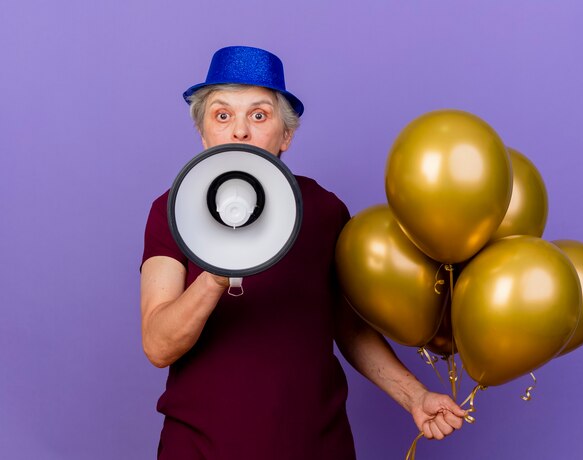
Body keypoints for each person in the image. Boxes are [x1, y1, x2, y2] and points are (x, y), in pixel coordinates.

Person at [140, 46, 466, 460]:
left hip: (314, 446)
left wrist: (414, 396)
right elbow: (158, 345)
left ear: (286, 135)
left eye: (259, 115)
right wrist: (216, 272)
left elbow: (350, 329)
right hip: (200, 448)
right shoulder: (171, 211)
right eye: (223, 116)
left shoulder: (325, 210)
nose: (240, 131)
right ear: (204, 135)